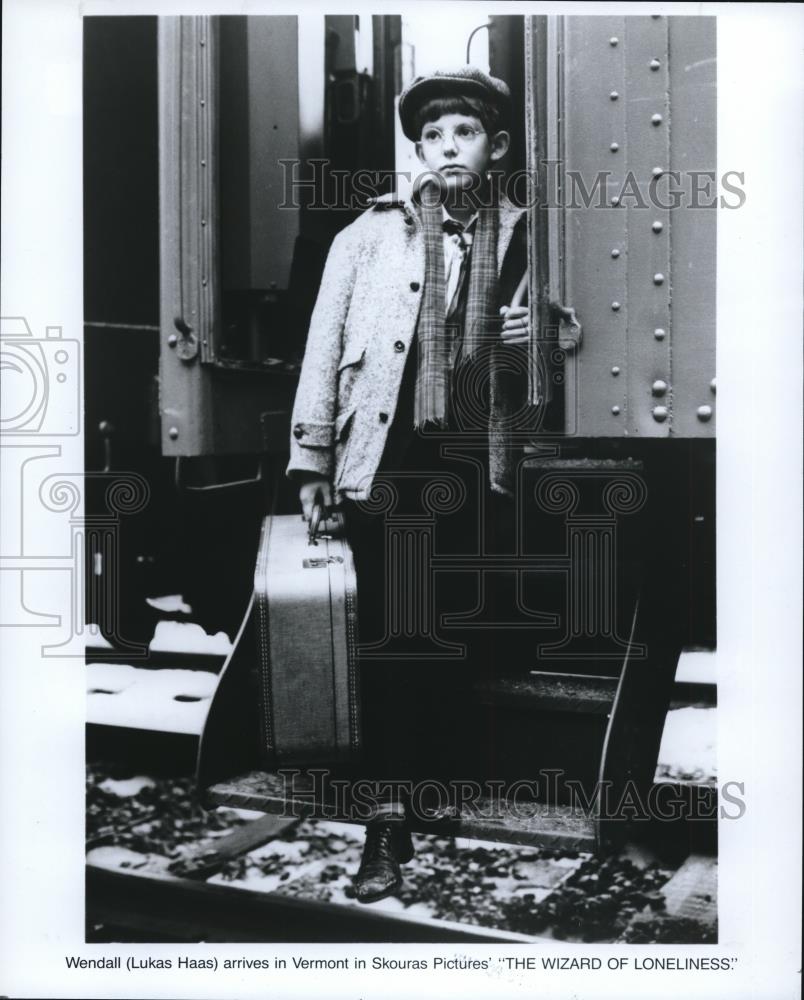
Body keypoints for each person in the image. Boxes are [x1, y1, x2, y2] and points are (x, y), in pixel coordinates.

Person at [286, 67, 534, 903]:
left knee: (450, 636)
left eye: (462, 133)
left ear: (494, 147)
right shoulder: (368, 235)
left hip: (475, 465)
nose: (446, 148)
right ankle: (384, 829)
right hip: (387, 462)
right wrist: (312, 460)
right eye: (432, 137)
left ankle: (436, 791)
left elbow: (567, 351)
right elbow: (324, 350)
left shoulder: (528, 236)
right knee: (393, 637)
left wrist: (539, 335)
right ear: (418, 150)